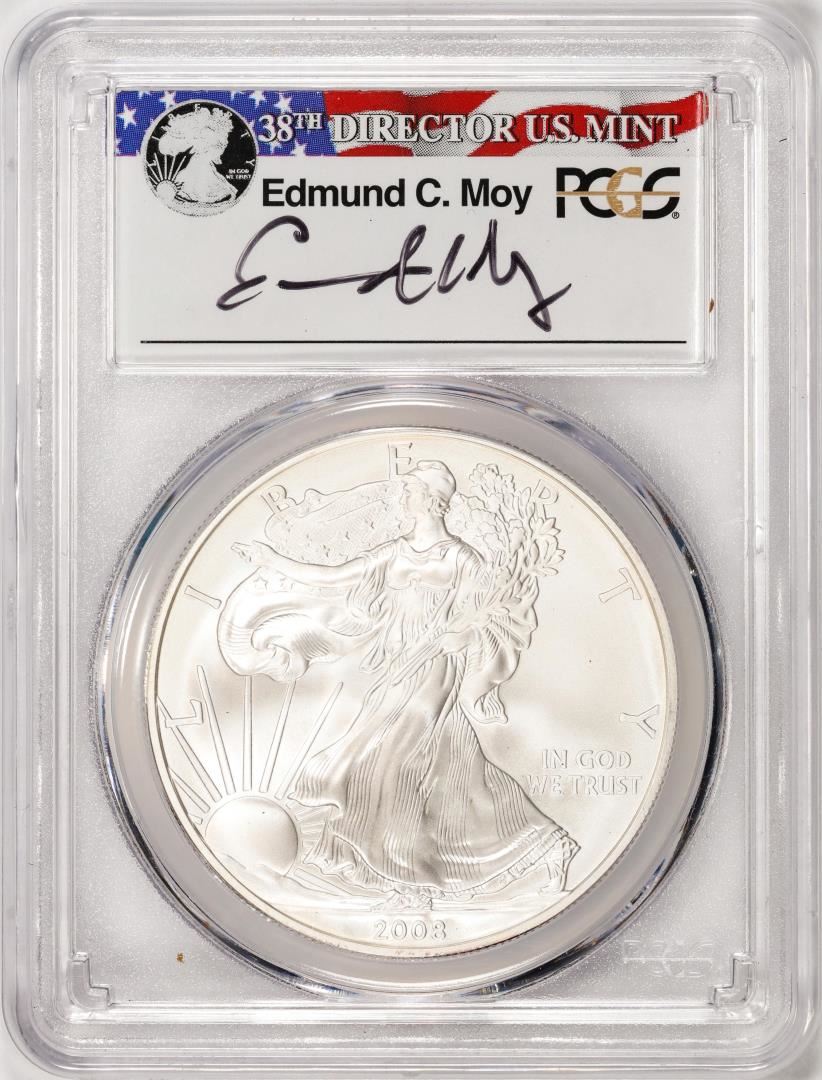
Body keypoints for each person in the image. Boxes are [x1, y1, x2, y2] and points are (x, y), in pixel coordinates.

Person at [218, 460, 578, 907]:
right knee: (455, 767)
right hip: (396, 669)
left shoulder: (462, 558)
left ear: (432, 500)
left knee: (390, 762)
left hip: (434, 671)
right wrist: (273, 561)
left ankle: (408, 882)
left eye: (410, 492)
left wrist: (460, 635)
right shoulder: (395, 552)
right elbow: (335, 577)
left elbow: (485, 617)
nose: (403, 499)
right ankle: (542, 846)